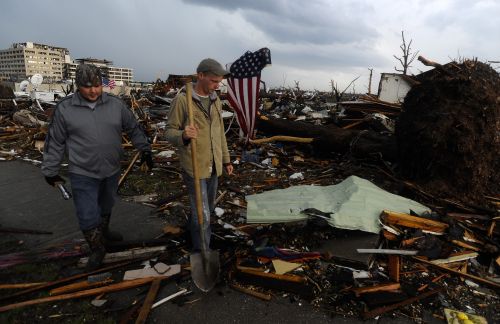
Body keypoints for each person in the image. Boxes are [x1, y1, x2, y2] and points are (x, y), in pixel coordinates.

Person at [41, 64, 153, 270]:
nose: (93, 90)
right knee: (87, 213)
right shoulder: (65, 109)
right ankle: (97, 248)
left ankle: (104, 233)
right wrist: (50, 171)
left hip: (111, 168)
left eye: (96, 85)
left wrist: (145, 149)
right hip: (82, 171)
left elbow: (133, 127)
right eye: (86, 86)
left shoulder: (115, 105)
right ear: (77, 85)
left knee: (106, 204)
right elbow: (54, 141)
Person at [166, 58, 233, 251]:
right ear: (200, 75)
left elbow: (220, 133)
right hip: (194, 166)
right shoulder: (182, 100)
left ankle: (193, 233)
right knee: (201, 213)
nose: (217, 85)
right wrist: (183, 135)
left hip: (213, 164)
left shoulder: (216, 100)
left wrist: (226, 159)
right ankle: (202, 250)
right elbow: (169, 131)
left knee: (207, 209)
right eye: (213, 81)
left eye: (219, 81)